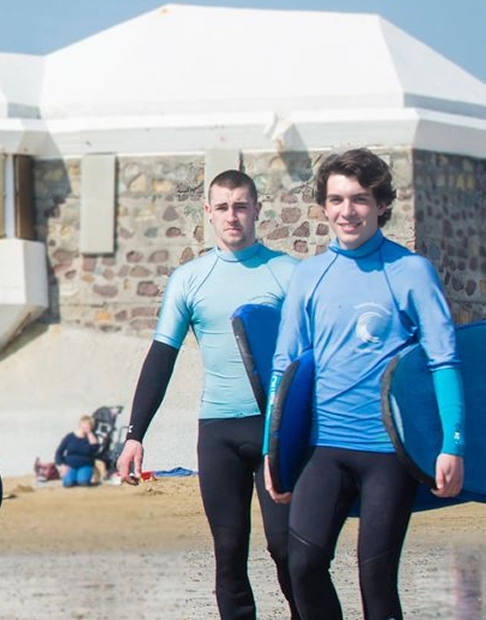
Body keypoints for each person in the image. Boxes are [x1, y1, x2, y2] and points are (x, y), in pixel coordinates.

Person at [266, 148, 466, 620]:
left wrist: (452, 444)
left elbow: (444, 359)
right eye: (336, 200)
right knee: (304, 564)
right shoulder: (308, 276)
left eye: (359, 199)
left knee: (376, 580)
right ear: (324, 206)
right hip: (323, 449)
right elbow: (284, 364)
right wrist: (271, 451)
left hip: (389, 452)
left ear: (380, 204)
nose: (346, 211)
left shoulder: (410, 271)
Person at [112, 169, 301, 619]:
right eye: (223, 207)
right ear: (208, 214)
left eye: (240, 206)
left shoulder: (289, 273)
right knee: (229, 550)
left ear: (257, 209)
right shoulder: (189, 279)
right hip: (218, 429)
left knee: (287, 548)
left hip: (278, 429)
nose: (232, 216)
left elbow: (311, 358)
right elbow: (161, 358)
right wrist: (135, 435)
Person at [54, 416, 100, 488]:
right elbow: (59, 452)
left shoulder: (92, 437)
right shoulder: (70, 437)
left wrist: (89, 433)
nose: (85, 427)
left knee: (83, 482)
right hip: (70, 464)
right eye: (84, 425)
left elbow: (95, 449)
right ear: (80, 425)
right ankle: (71, 478)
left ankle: (83, 477)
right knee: (68, 483)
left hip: (85, 464)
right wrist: (62, 465)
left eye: (88, 425)